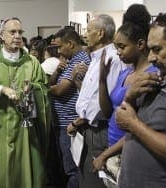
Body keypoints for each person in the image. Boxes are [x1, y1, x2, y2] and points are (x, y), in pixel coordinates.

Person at [0, 17, 51, 188]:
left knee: (24, 173)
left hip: (25, 129)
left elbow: (44, 89)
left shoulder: (32, 63)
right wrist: (1, 90)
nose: (17, 36)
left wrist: (33, 89)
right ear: (2, 36)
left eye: (20, 32)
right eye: (12, 32)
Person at [115, 10, 166, 188]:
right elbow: (122, 121)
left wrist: (134, 124)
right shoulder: (162, 77)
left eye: (157, 49)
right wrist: (130, 97)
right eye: (149, 49)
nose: (150, 58)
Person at [92, 4, 159, 175]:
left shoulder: (150, 76)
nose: (118, 52)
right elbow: (108, 111)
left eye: (122, 47)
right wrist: (102, 80)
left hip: (130, 150)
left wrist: (105, 154)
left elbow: (139, 127)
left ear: (140, 44)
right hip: (112, 145)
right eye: (116, 47)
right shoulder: (125, 72)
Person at [67, 14, 126, 188]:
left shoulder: (112, 59)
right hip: (87, 129)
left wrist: (79, 120)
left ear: (100, 34)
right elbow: (89, 98)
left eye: (89, 30)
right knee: (86, 178)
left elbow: (106, 103)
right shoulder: (95, 58)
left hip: (100, 130)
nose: (85, 34)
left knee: (95, 181)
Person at [50, 27, 90, 188]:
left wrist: (39, 87)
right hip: (62, 121)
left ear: (71, 44)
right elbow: (55, 83)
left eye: (60, 46)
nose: (58, 51)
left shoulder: (80, 62)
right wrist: (56, 72)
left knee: (72, 170)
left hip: (69, 122)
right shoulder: (68, 61)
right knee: (65, 168)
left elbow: (59, 90)